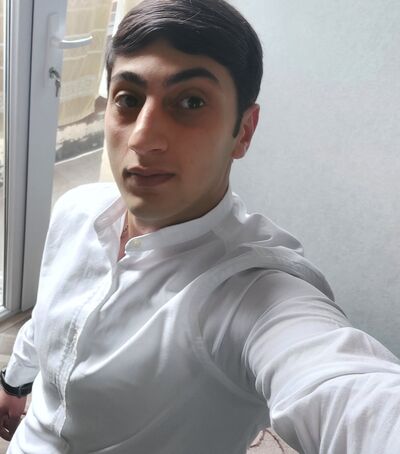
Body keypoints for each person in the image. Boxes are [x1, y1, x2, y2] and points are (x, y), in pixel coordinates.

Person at [1, 0, 400, 452]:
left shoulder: (251, 294)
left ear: (243, 131)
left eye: (191, 102)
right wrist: (14, 382)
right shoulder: (75, 209)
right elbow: (50, 313)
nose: (143, 138)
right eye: (128, 99)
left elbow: (349, 388)